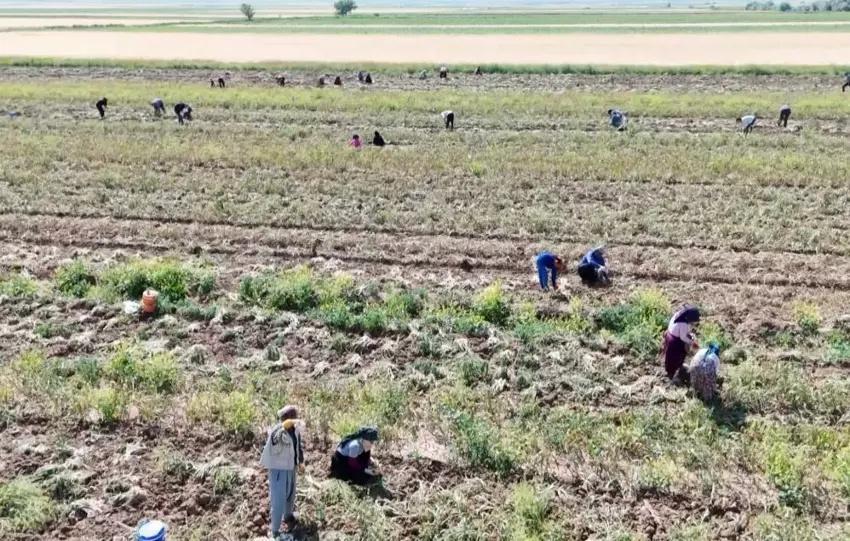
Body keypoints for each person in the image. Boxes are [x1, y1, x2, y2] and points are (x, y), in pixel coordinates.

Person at [260, 405, 304, 538]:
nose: (295, 420)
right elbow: (274, 439)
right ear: (286, 418)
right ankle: (275, 530)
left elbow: (297, 447)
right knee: (278, 499)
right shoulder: (276, 431)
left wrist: (300, 462)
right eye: (293, 417)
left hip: (291, 467)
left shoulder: (295, 431)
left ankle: (288, 516)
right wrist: (282, 426)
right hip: (279, 470)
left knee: (290, 494)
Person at [662, 305, 700, 383]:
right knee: (675, 358)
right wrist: (692, 342)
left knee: (671, 357)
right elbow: (683, 337)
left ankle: (675, 368)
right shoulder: (683, 324)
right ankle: (672, 376)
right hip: (675, 342)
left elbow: (684, 333)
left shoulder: (679, 314)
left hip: (671, 336)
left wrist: (690, 335)